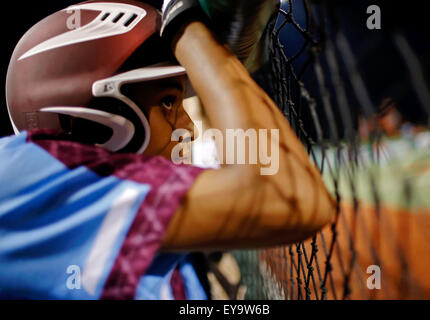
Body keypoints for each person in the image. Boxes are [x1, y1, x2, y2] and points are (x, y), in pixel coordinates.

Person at [0, 0, 335, 300]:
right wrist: (186, 28)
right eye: (168, 102)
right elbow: (286, 197)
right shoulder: (14, 180)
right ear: (93, 123)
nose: (188, 127)